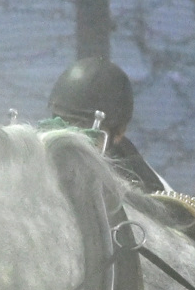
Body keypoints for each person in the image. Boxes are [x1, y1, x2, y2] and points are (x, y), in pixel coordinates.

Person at [44, 56, 169, 193]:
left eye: (85, 131)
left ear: (119, 133)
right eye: (62, 123)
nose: (69, 140)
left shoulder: (144, 189)